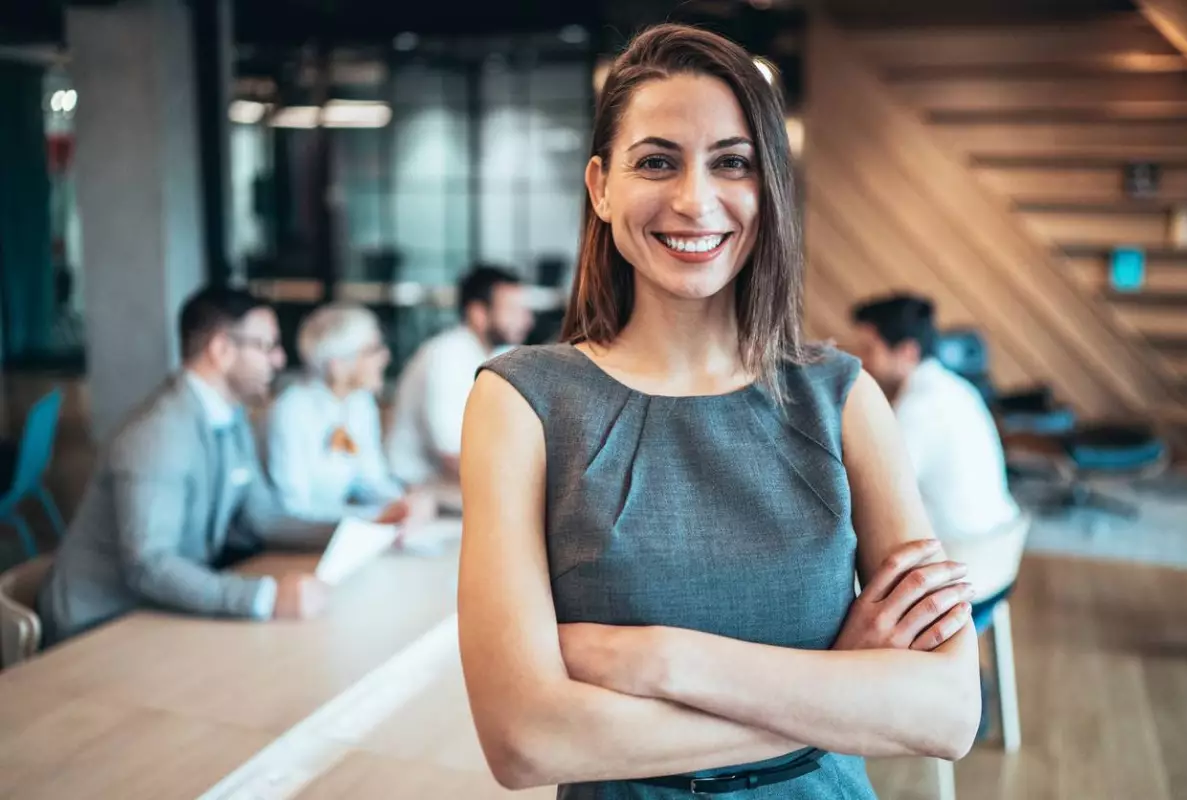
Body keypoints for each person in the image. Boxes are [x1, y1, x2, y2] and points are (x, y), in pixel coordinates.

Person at [458, 24, 980, 799]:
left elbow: (946, 712)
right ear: (601, 187)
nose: (694, 200)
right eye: (657, 161)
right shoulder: (520, 402)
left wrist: (662, 660)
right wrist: (838, 687)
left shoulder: (842, 397)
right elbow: (527, 742)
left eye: (731, 163)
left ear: (768, 187)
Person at [37, 287, 335, 646]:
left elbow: (263, 517)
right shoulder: (159, 432)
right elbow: (149, 565)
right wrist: (265, 598)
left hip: (156, 612)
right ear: (222, 349)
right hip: (97, 627)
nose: (278, 359)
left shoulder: (231, 417)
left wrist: (351, 530)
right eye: (266, 346)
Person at [850, 294, 1021, 541]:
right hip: (993, 546)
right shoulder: (952, 386)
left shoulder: (919, 406)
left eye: (869, 349)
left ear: (907, 352)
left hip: (964, 556)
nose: (859, 360)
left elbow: (876, 492)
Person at [266, 302, 430, 524]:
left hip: (335, 532)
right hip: (295, 542)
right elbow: (293, 507)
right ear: (338, 365)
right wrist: (372, 516)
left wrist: (403, 503)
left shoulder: (360, 402)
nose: (385, 357)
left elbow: (370, 478)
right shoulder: (291, 411)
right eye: (372, 350)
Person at [386, 265, 532, 487]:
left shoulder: (501, 354)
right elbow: (452, 455)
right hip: (415, 488)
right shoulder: (445, 356)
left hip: (458, 487)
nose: (527, 320)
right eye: (513, 310)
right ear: (478, 314)